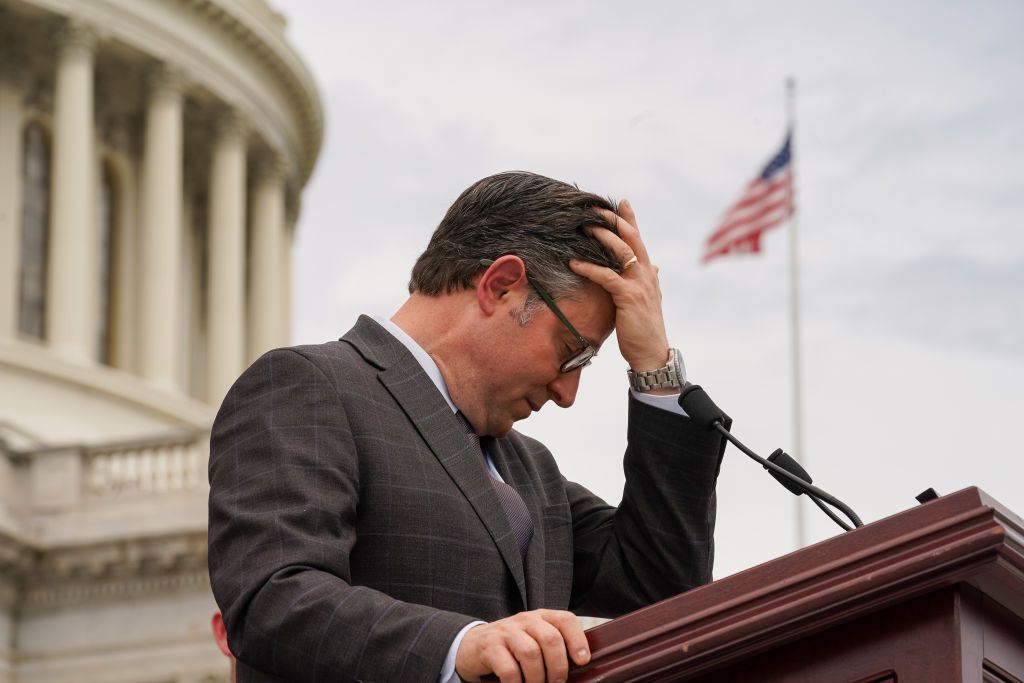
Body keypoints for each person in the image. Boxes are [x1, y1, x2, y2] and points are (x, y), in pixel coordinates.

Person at [208, 171, 729, 683]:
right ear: (501, 286)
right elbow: (272, 597)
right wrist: (460, 647)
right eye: (571, 354)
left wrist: (655, 369)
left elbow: (662, 596)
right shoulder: (309, 385)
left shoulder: (532, 469)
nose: (567, 395)